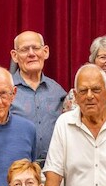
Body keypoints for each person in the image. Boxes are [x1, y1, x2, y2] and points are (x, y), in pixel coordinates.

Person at [10, 30, 67, 161]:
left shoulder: (58, 91)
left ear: (45, 52)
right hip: (17, 170)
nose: (31, 54)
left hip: (53, 169)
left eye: (36, 48)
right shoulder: (6, 90)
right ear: (15, 55)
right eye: (24, 49)